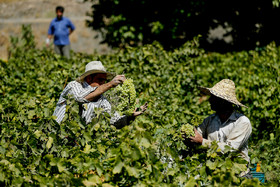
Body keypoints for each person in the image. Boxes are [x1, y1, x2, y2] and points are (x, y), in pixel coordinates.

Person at [188, 79, 252, 178]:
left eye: (213, 97)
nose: (209, 100)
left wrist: (202, 141)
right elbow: (198, 134)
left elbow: (230, 149)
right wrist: (189, 136)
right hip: (214, 173)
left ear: (223, 101)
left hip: (237, 175)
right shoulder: (209, 120)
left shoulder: (242, 122)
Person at [53, 61, 147, 128]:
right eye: (100, 80)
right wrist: (110, 84)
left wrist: (131, 116)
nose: (103, 83)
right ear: (89, 78)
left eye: (105, 81)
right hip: (57, 134)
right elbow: (80, 98)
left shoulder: (102, 100)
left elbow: (114, 121)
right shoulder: (74, 86)